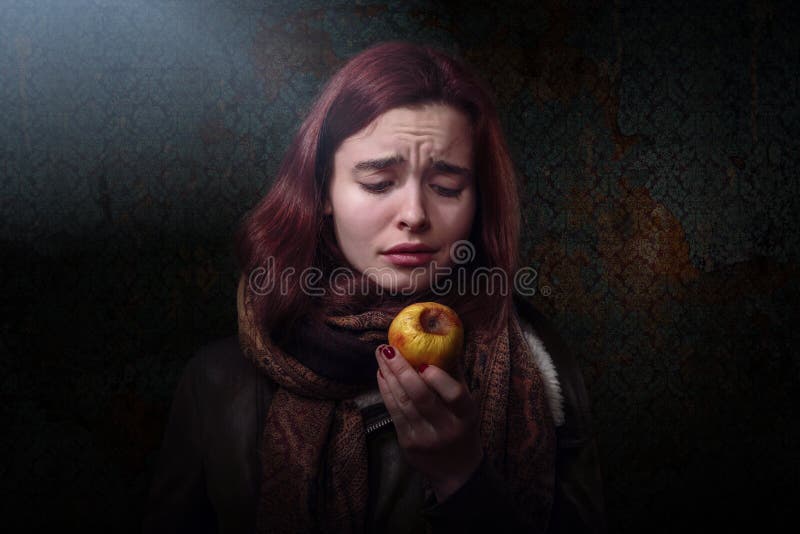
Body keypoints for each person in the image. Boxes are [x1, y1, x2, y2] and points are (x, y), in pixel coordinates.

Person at [143, 41, 606, 534]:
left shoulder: (536, 363)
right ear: (323, 192)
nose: (414, 214)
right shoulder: (218, 383)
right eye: (379, 182)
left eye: (447, 187)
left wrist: (463, 479)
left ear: (479, 201)